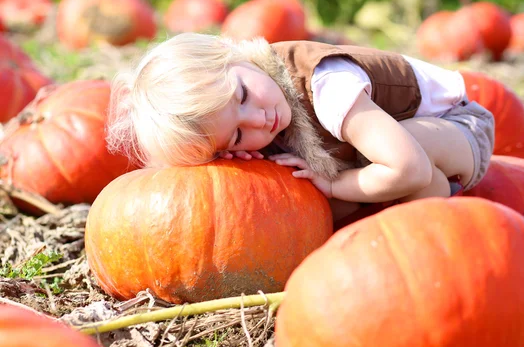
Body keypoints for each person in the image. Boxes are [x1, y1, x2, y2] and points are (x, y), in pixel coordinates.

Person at [107, 33, 494, 220]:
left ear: (232, 54)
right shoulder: (262, 124)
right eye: (239, 134)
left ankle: (440, 217)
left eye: (242, 96)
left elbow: (408, 168)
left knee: (407, 160)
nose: (260, 119)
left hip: (454, 127)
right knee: (321, 205)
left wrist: (334, 184)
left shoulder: (326, 83)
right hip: (369, 151)